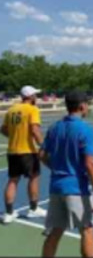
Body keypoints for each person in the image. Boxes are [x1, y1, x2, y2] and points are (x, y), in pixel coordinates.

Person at [39, 91, 93, 258]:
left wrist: (57, 168)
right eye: (87, 104)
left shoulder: (55, 127)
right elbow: (90, 163)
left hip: (56, 188)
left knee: (55, 232)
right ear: (82, 106)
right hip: (76, 189)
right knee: (87, 230)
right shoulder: (86, 130)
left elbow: (42, 155)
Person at [1, 85, 46, 224]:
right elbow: (35, 130)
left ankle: (8, 213)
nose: (36, 97)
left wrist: (14, 137)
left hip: (12, 151)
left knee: (13, 180)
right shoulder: (32, 109)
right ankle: (33, 209)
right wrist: (44, 146)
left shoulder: (12, 110)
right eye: (35, 95)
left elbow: (3, 129)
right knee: (34, 177)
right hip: (28, 151)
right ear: (30, 96)